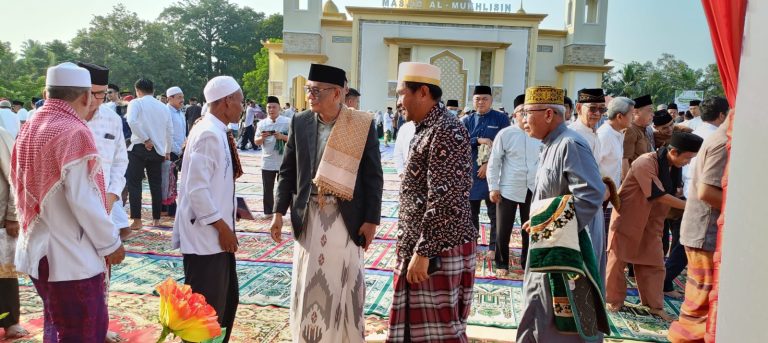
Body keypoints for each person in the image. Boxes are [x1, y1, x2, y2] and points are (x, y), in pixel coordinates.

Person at [12, 62, 125, 342]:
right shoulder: (73, 131)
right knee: (83, 331)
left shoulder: (32, 125)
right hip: (70, 257)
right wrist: (111, 244)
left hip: (40, 250)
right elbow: (84, 199)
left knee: (58, 325)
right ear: (86, 96)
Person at [270, 64, 382, 342]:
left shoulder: (360, 124)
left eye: (316, 90)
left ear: (337, 93)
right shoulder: (300, 121)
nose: (310, 95)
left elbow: (373, 176)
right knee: (308, 280)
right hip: (309, 216)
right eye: (309, 89)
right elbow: (287, 171)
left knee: (342, 281)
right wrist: (277, 212)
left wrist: (371, 220)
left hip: (345, 217)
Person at [386, 61, 477, 342]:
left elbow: (446, 197)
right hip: (424, 246)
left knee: (440, 332)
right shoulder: (426, 127)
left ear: (422, 92)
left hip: (439, 249)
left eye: (402, 93)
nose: (399, 102)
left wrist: (424, 252)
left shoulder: (446, 129)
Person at [516, 86, 608, 342]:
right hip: (552, 240)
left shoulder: (570, 144)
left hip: (568, 248)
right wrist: (539, 220)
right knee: (541, 304)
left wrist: (549, 227)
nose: (523, 120)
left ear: (548, 114)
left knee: (563, 314)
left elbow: (590, 194)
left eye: (526, 113)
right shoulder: (550, 143)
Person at [172, 76, 243, 343]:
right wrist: (223, 227)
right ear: (226, 102)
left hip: (216, 239)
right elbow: (197, 189)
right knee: (205, 316)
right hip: (207, 239)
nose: (241, 107)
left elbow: (215, 182)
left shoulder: (217, 130)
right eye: (239, 101)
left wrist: (236, 208)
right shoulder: (207, 134)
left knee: (225, 307)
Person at [605, 132, 703, 321]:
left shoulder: (673, 166)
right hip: (629, 218)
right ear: (674, 151)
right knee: (617, 261)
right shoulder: (645, 162)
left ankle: (654, 306)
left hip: (652, 222)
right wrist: (694, 206)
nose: (689, 162)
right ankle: (613, 300)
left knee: (654, 263)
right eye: (688, 158)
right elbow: (657, 194)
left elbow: (672, 193)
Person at [78, 61, 131, 343]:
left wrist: (112, 195)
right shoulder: (62, 121)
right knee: (71, 279)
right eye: (92, 93)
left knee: (102, 274)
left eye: (102, 94)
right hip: (70, 217)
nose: (96, 101)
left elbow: (121, 160)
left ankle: (99, 327)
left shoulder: (111, 118)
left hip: (106, 209)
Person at [667, 119, 729, 343]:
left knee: (700, 303)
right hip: (705, 232)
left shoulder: (722, 139)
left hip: (704, 231)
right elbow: (707, 191)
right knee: (701, 306)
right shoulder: (723, 142)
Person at [487, 100, 541, 275]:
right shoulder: (505, 134)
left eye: (529, 112)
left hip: (532, 188)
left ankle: (527, 263)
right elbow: (494, 161)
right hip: (508, 188)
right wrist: (493, 187)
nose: (526, 116)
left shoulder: (539, 134)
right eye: (522, 112)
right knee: (503, 229)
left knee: (530, 228)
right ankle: (501, 264)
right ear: (514, 114)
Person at [461, 85, 510, 260]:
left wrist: (488, 165)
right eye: (477, 99)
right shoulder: (466, 120)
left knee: (495, 214)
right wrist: (477, 140)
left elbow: (504, 145)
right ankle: (472, 245)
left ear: (491, 100)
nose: (481, 102)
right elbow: (459, 142)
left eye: (484, 99)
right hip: (471, 174)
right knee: (470, 213)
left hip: (493, 176)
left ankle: (493, 247)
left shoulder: (501, 119)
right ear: (473, 101)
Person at [125, 78, 173, 229]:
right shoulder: (164, 107)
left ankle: (137, 220)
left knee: (134, 184)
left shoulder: (136, 103)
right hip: (158, 150)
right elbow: (169, 130)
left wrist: (146, 139)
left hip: (139, 147)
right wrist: (167, 151)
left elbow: (131, 121)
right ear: (153, 90)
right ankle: (156, 219)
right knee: (156, 184)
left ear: (137, 90)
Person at [0, 126, 27, 339]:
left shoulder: (1, 134)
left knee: (4, 273)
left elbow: (15, 175)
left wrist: (12, 214)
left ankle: (10, 322)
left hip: (1, 217)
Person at [597, 96, 634, 233]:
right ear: (619, 116)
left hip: (610, 197)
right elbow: (594, 167)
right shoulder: (605, 135)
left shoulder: (617, 133)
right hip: (602, 198)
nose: (633, 118)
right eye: (631, 114)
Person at [254, 96, 290, 220]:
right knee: (267, 188)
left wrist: (282, 137)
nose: (271, 109)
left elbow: (295, 140)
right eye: (269, 107)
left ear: (279, 108)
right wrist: (262, 137)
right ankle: (268, 211)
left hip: (283, 161)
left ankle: (281, 211)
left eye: (274, 107)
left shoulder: (287, 122)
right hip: (267, 161)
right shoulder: (261, 124)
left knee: (283, 188)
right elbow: (256, 141)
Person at [164, 86, 186, 217]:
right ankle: (169, 208)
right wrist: (177, 149)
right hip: (170, 151)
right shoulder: (166, 112)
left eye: (182, 97)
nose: (182, 100)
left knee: (175, 180)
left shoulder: (180, 112)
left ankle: (171, 206)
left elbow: (182, 133)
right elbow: (167, 134)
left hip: (180, 150)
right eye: (179, 97)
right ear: (170, 98)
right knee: (169, 180)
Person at [623, 94, 654, 179]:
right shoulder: (631, 130)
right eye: (649, 110)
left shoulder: (645, 129)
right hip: (633, 179)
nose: (652, 115)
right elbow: (624, 160)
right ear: (636, 112)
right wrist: (626, 186)